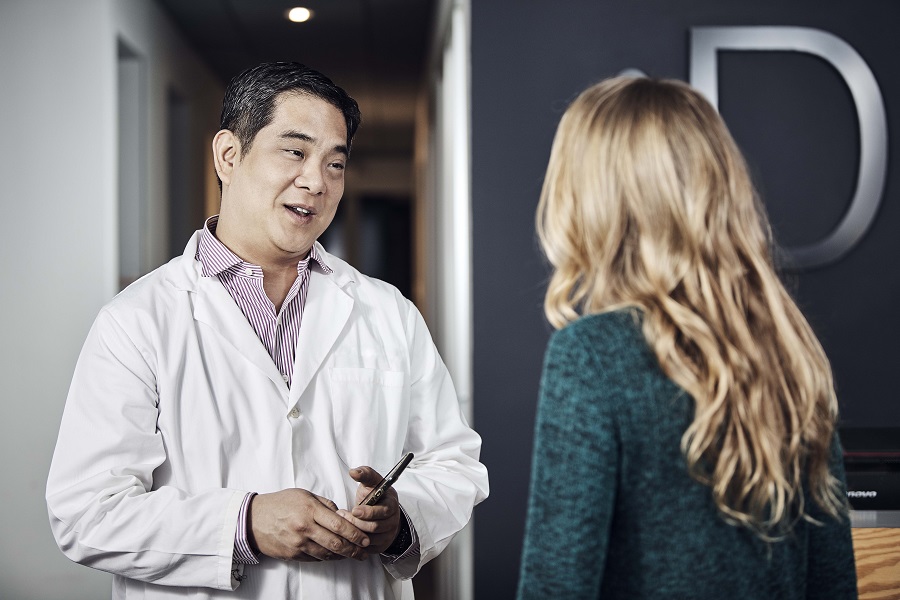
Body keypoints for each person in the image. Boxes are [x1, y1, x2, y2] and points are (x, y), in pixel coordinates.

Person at [47, 61, 488, 600]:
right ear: (229, 156)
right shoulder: (137, 320)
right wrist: (247, 524)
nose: (316, 181)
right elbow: (86, 512)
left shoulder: (386, 311)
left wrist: (402, 522)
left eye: (335, 163)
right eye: (295, 152)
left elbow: (454, 462)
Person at [516, 77, 857, 599]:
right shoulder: (791, 354)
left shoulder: (590, 356)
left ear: (591, 201)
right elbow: (833, 588)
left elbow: (555, 586)